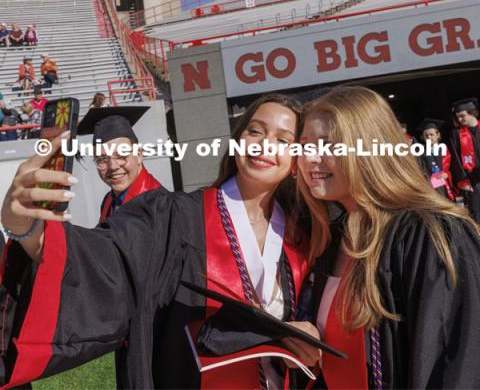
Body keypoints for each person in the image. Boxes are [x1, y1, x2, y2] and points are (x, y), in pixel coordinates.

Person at [0, 93, 312, 389]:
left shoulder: (304, 237)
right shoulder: (173, 215)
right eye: (255, 131)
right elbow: (108, 259)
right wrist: (26, 226)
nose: (265, 145)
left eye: (283, 140)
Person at [286, 86, 480, 389]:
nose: (310, 158)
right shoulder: (337, 237)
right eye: (304, 145)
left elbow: (457, 363)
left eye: (328, 145)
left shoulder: (430, 233)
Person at [77, 106, 161, 222]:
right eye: (102, 159)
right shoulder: (109, 200)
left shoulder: (159, 206)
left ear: (139, 155)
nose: (113, 166)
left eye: (121, 155)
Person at [449, 97, 480, 223]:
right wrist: (463, 180)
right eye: (457, 117)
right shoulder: (456, 133)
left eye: (462, 116)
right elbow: (455, 158)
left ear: (472, 113)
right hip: (472, 180)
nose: (459, 119)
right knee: (476, 211)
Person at [417, 118, 455, 201]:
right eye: (426, 136)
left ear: (437, 135)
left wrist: (447, 174)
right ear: (423, 138)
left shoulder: (445, 149)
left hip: (445, 184)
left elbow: (455, 167)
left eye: (431, 134)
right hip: (430, 186)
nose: (429, 137)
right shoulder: (420, 152)